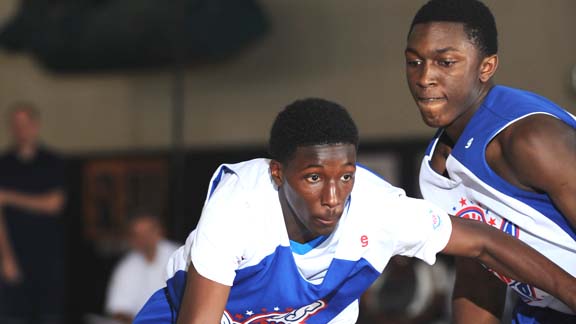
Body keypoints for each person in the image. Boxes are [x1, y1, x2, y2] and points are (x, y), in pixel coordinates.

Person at [134, 98, 576, 324]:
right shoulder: (238, 206)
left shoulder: (375, 206)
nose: (333, 196)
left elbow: (484, 242)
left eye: (345, 175)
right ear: (277, 174)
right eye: (312, 178)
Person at [405, 1, 576, 323]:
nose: (425, 77)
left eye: (445, 62)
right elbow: (479, 277)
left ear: (486, 67)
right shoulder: (435, 167)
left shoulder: (531, 137)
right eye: (414, 62)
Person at [0, 102, 67, 324]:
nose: (22, 130)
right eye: (16, 125)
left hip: (48, 257)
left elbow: (54, 204)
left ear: (36, 126)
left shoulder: (52, 162)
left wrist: (10, 197)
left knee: (49, 317)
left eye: (26, 124)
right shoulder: (4, 165)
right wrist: (6, 258)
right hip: (13, 258)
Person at [104, 213, 179, 324]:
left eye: (147, 232)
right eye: (137, 234)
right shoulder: (126, 267)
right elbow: (118, 310)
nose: (143, 239)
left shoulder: (178, 257)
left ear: (159, 232)